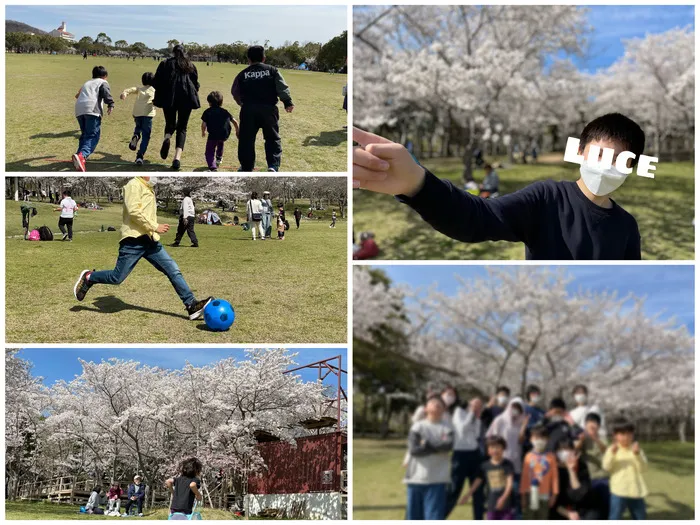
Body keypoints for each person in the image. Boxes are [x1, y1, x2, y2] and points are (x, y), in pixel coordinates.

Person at [352, 112, 643, 259]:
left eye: (621, 160)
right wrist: (418, 184)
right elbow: (478, 219)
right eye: (600, 155)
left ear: (631, 167)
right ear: (580, 152)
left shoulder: (627, 226)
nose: (607, 167)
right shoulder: (548, 199)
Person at [72, 177, 212, 320]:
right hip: (133, 241)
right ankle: (89, 277)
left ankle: (191, 305)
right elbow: (133, 212)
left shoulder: (149, 187)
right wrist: (155, 226)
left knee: (173, 270)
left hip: (151, 241)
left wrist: (152, 230)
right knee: (116, 278)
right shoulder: (133, 185)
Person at [231, 45, 295, 172]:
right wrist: (287, 102)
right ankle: (273, 165)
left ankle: (246, 166)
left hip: (248, 110)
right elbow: (282, 87)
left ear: (248, 59)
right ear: (264, 58)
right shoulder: (272, 70)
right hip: (269, 110)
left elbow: (235, 92)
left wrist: (241, 104)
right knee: (272, 138)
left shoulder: (242, 74)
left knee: (246, 140)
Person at [403, 397, 454, 520]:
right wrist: (436, 446)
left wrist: (425, 444)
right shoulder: (417, 426)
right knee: (414, 517)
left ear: (444, 409)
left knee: (434, 517)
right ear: (425, 408)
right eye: (432, 403)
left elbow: (447, 447)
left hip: (437, 480)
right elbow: (414, 450)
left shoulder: (448, 427)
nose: (436, 405)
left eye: (439, 404)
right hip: (415, 478)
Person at [153, 45, 200, 170]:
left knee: (170, 123)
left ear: (173, 52)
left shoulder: (165, 63)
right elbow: (196, 83)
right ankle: (177, 158)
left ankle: (167, 137)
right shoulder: (190, 65)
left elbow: (156, 81)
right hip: (187, 97)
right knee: (182, 127)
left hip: (169, 98)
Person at [486, 397, 528, 518]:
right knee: (502, 494)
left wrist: (524, 426)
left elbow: (521, 441)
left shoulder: (521, 422)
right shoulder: (500, 420)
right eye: (514, 407)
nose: (516, 410)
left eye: (519, 408)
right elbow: (490, 438)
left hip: (516, 463)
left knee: (516, 494)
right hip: (501, 463)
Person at [446, 395, 485, 519]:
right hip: (460, 454)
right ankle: (439, 516)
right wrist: (471, 414)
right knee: (454, 490)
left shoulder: (476, 417)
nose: (477, 407)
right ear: (469, 403)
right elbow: (462, 429)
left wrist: (477, 418)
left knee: (478, 491)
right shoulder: (459, 412)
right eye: (475, 404)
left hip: (474, 454)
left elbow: (476, 435)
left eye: (479, 406)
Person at [460, 436, 515, 520]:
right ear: (488, 450)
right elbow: (477, 482)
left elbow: (509, 483)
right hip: (491, 505)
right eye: (492, 447)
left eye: (498, 447)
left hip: (507, 505)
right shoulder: (484, 466)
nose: (495, 450)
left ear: (503, 448)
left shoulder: (508, 464)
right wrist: (468, 494)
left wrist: (503, 498)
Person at [603, 419, 648, 520]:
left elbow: (644, 468)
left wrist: (637, 455)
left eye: (629, 434)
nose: (626, 437)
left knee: (640, 518)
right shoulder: (612, 449)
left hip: (636, 490)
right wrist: (612, 454)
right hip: (618, 491)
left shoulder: (637, 449)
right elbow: (606, 467)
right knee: (615, 518)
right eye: (622, 434)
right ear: (615, 435)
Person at [72, 65, 114, 172]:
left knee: (85, 134)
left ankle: (78, 155)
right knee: (93, 135)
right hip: (92, 109)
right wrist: (110, 104)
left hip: (79, 109)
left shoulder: (87, 83)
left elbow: (77, 95)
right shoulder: (102, 82)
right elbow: (105, 92)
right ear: (105, 76)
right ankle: (82, 156)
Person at [551, 439, 602, 519]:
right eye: (561, 450)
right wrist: (567, 513)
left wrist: (571, 471)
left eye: (568, 449)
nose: (565, 452)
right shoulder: (553, 470)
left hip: (582, 508)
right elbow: (552, 501)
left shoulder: (581, 467)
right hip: (561, 509)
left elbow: (581, 495)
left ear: (574, 451)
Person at [520, 424, 558, 520]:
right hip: (530, 494)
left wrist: (554, 494)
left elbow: (555, 477)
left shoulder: (551, 457)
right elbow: (524, 477)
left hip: (545, 496)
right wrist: (523, 495)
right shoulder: (528, 456)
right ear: (531, 439)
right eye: (536, 437)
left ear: (547, 439)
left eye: (542, 437)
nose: (539, 440)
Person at [576, 412, 610, 519]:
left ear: (599, 426)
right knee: (591, 509)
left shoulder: (602, 437)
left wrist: (595, 438)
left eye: (594, 422)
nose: (591, 425)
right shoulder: (582, 438)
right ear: (585, 425)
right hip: (588, 479)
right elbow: (575, 450)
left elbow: (606, 450)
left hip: (603, 477)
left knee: (605, 506)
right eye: (588, 422)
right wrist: (581, 440)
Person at [121, 72, 156, 165]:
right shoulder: (154, 90)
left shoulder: (140, 89)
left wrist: (124, 93)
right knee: (146, 136)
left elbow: (131, 89)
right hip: (147, 114)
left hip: (137, 113)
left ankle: (136, 135)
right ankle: (140, 156)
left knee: (138, 126)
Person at [201, 91, 239, 171]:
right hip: (224, 134)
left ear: (209, 102)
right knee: (220, 143)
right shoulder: (225, 111)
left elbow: (204, 124)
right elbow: (235, 121)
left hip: (213, 135)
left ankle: (212, 166)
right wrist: (237, 130)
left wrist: (203, 131)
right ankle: (219, 158)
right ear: (221, 102)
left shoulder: (207, 112)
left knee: (209, 151)